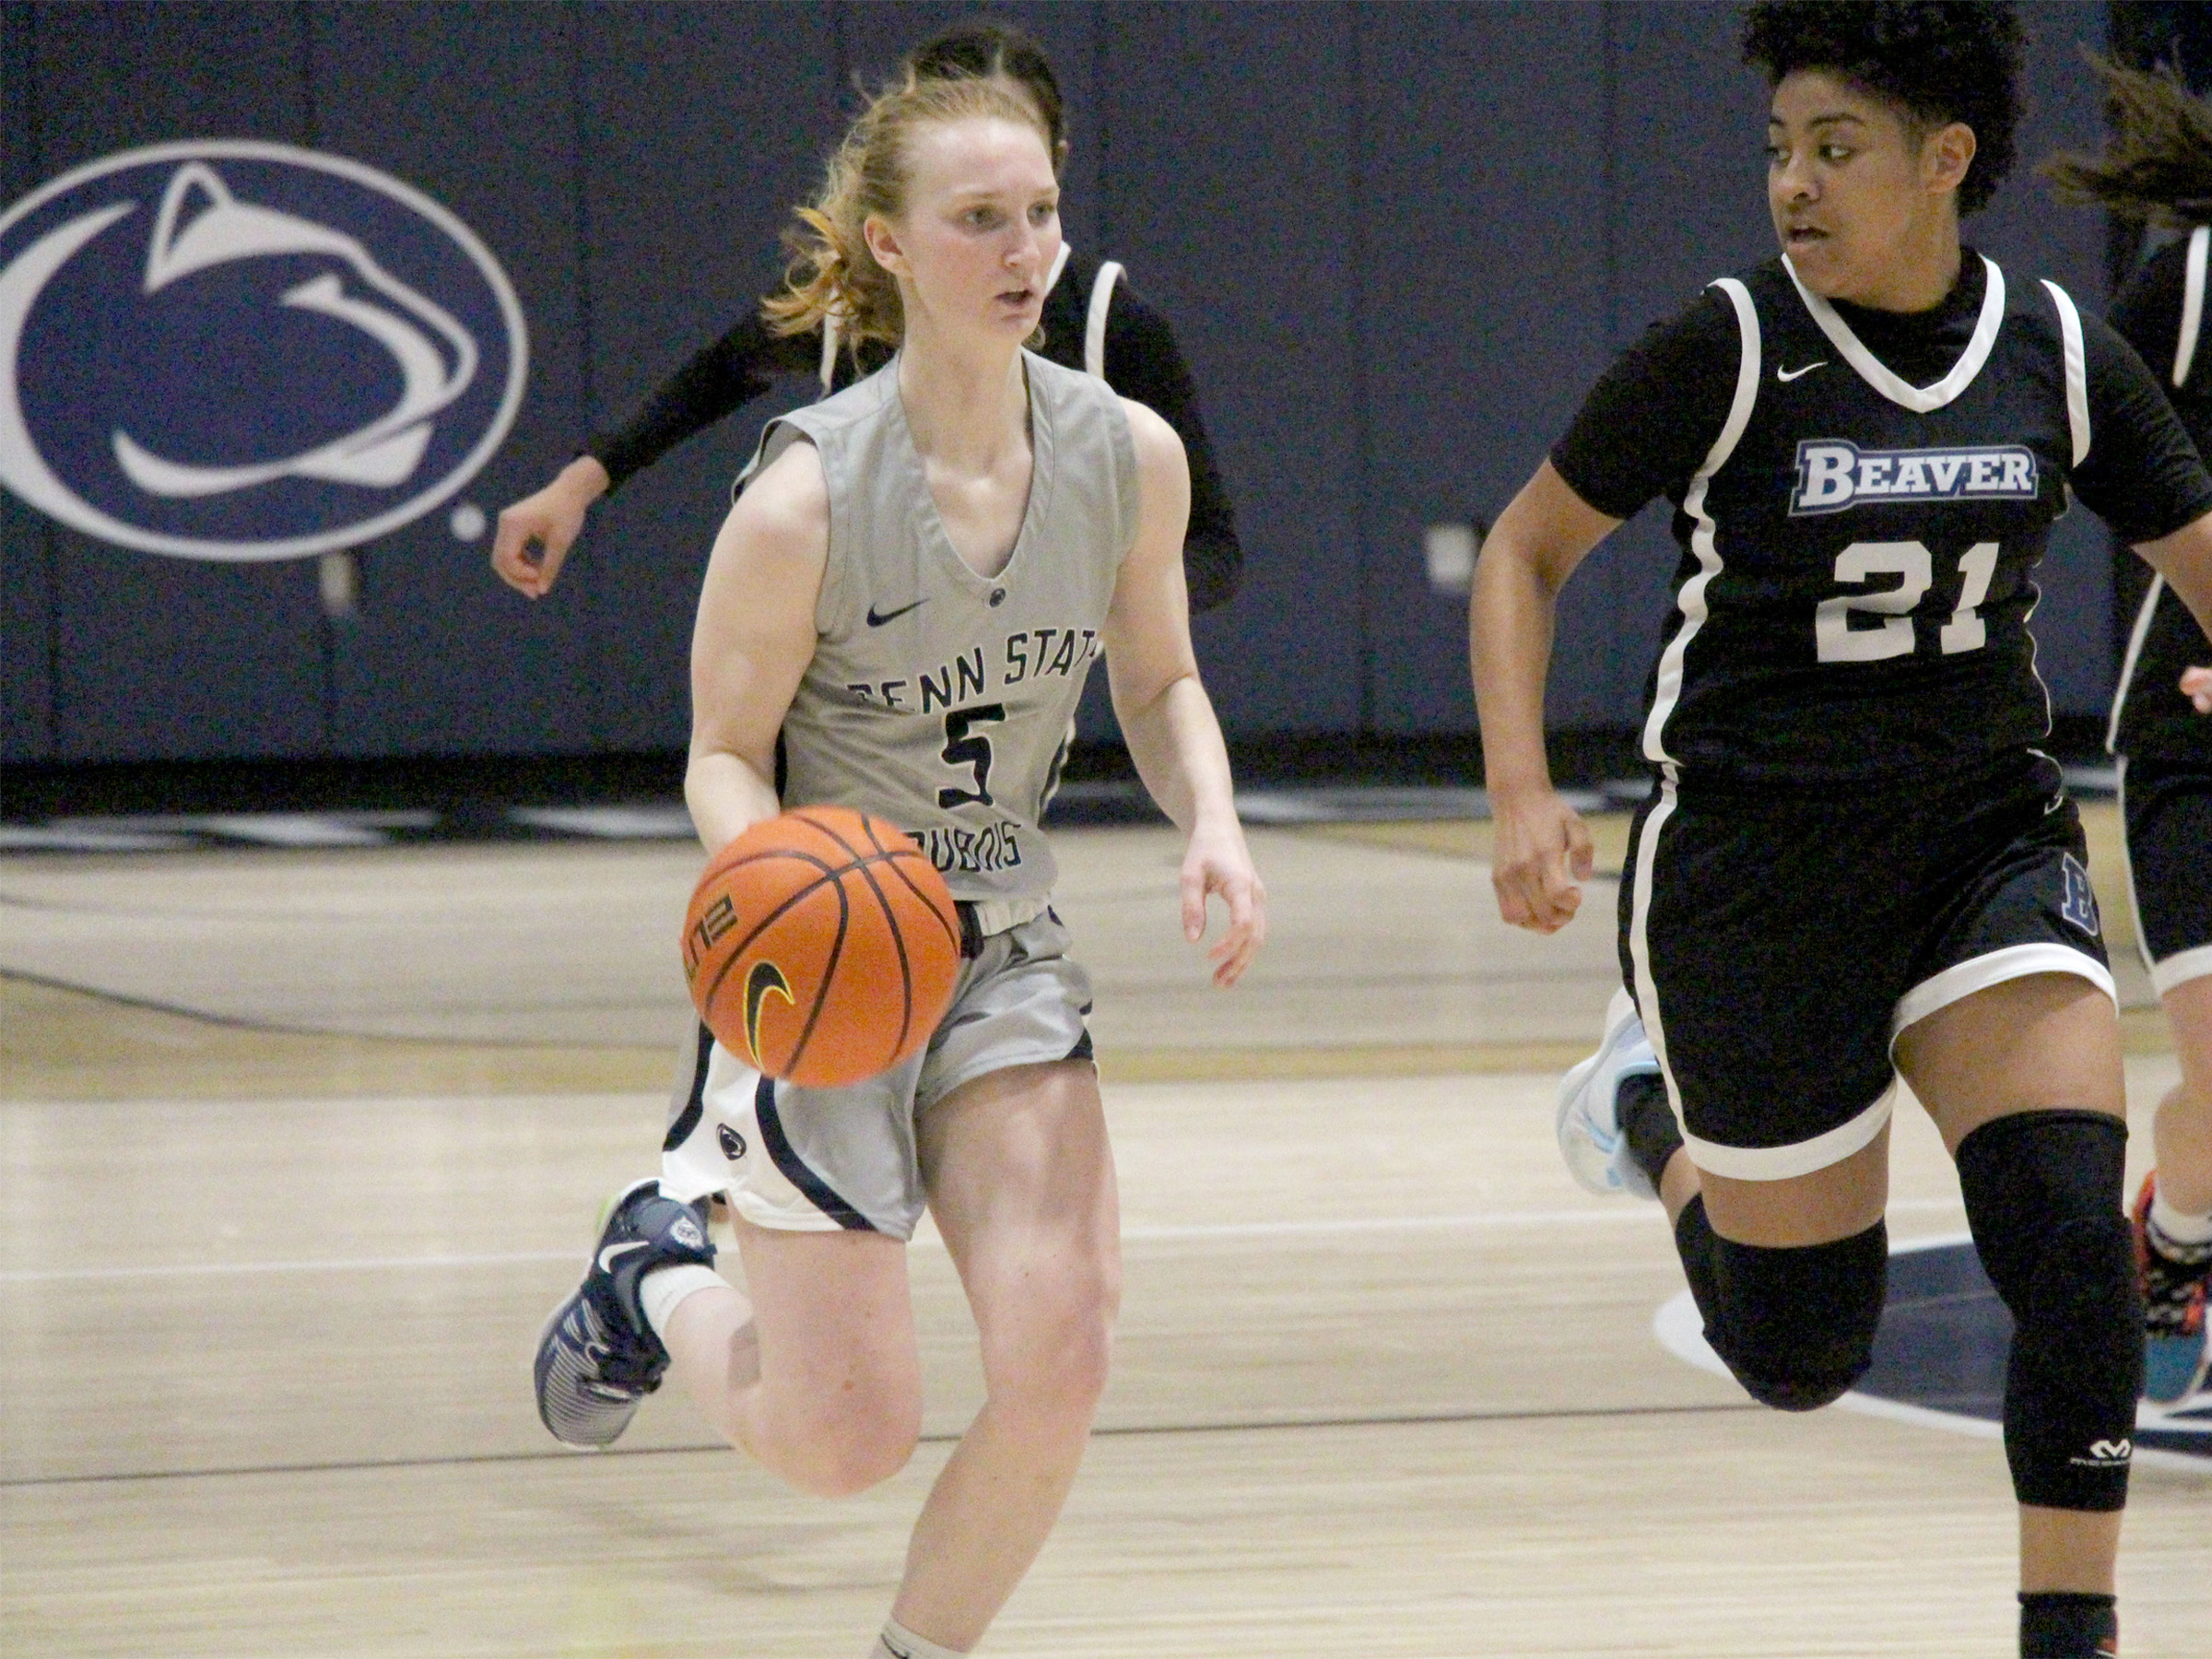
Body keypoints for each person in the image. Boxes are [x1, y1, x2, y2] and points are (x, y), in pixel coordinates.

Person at [1469, 6, 2212, 1656]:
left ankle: (2068, 1636)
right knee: (1799, 1351)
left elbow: (2203, 547)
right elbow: (1525, 552)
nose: (1793, 184)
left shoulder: (2053, 348)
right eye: (1778, 149)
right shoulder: (1724, 350)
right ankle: (1645, 1107)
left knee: (2075, 1265)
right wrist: (1523, 792)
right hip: (1752, 877)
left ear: (1946, 161)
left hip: (1981, 848)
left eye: (1835, 148)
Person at [533, 69, 1265, 1659]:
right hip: (832, 970)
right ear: (891, 246)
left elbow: (1157, 675)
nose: (1025, 248)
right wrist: (787, 891)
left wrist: (1209, 815)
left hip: (1000, 944)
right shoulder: (804, 497)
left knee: (1061, 1356)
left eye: (1044, 214)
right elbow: (719, 753)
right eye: (980, 219)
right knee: (842, 1439)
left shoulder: (1126, 454)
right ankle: (650, 1269)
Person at [488, 21, 1243, 617]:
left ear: (1053, 162)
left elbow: (1212, 551)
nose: (981, 150)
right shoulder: (848, 294)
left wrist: (1084, 606)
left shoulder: (1110, 320)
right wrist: (576, 488)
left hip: (998, 705)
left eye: (1009, 143)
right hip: (846, 679)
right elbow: (717, 376)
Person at [2044, 55, 2212, 1406]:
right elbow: (2064, 432)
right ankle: (2173, 1235)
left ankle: (2178, 1223)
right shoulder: (2194, 284)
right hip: (2191, 734)